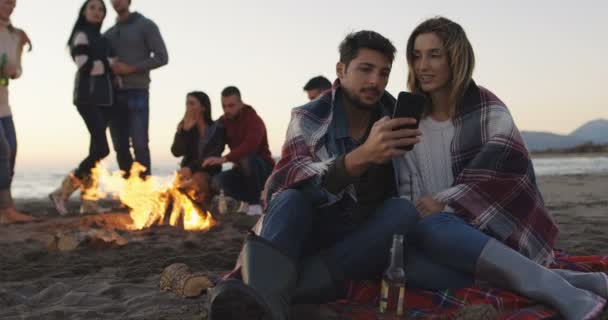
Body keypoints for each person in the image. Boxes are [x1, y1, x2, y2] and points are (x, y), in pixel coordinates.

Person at [395, 17, 606, 319]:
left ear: (456, 57)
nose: (423, 66)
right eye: (416, 56)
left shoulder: (487, 109)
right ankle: (576, 281)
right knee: (410, 266)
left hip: (489, 229)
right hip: (434, 236)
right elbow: (404, 186)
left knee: (437, 226)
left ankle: (561, 292)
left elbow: (506, 178)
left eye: (434, 54)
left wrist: (446, 202)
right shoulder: (408, 120)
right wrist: (416, 211)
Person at [207, 31, 422, 320]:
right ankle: (275, 302)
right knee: (289, 199)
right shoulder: (309, 117)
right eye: (366, 69)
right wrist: (362, 157)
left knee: (404, 212)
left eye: (384, 73)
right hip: (310, 229)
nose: (376, 81)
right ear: (341, 70)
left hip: (357, 242)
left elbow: (408, 190)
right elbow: (284, 186)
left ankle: (268, 298)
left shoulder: (393, 119)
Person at [49, 0, 120, 215]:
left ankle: (88, 203)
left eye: (101, 9)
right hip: (87, 98)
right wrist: (109, 64)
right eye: (92, 8)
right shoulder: (81, 34)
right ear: (84, 11)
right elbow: (84, 64)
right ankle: (61, 192)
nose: (97, 12)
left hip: (105, 100)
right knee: (102, 149)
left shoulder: (101, 38)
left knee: (94, 152)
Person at [105, 0, 168, 177]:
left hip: (138, 91)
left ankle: (145, 193)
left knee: (140, 144)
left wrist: (130, 68)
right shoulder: (108, 34)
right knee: (120, 147)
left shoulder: (146, 25)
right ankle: (131, 194)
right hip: (113, 95)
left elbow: (162, 57)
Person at [202, 86, 274, 215]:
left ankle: (254, 204)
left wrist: (224, 159)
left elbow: (250, 146)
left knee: (246, 158)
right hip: (241, 169)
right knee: (217, 182)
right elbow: (212, 142)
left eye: (231, 106)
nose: (227, 110)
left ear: (241, 104)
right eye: (224, 106)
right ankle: (247, 200)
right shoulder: (224, 121)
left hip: (263, 169)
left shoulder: (254, 120)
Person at [0, 0, 34, 224]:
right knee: (2, 149)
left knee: (12, 151)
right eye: (6, 1)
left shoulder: (15, 35)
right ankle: (8, 208)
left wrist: (13, 71)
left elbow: (17, 69)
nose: (10, 6)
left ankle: (3, 209)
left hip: (3, 103)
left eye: (13, 2)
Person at [171, 91, 225, 206]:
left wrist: (191, 168)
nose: (188, 108)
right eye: (186, 104)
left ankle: (203, 209)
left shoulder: (217, 128)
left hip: (209, 172)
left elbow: (213, 153)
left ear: (203, 107)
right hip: (187, 172)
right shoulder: (185, 127)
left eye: (192, 104)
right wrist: (184, 131)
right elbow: (176, 152)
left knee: (197, 178)